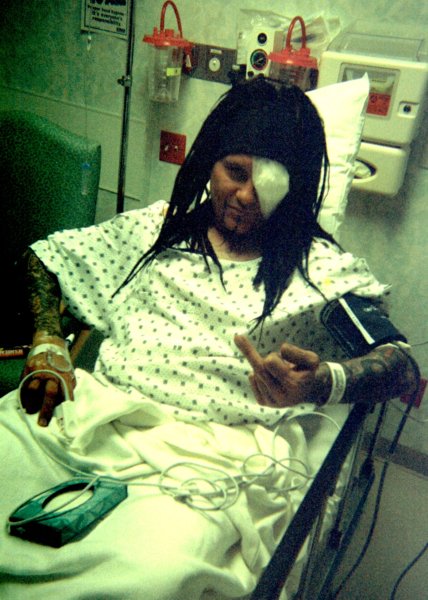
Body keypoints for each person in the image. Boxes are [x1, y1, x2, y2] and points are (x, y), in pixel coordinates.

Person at [0, 77, 418, 599]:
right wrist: (48, 341)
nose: (245, 195)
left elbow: (401, 366)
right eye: (234, 172)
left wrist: (321, 383)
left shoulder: (320, 274)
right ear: (210, 163)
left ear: (296, 187)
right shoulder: (156, 232)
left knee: (149, 577)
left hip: (202, 468)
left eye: (266, 182)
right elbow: (45, 258)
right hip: (89, 421)